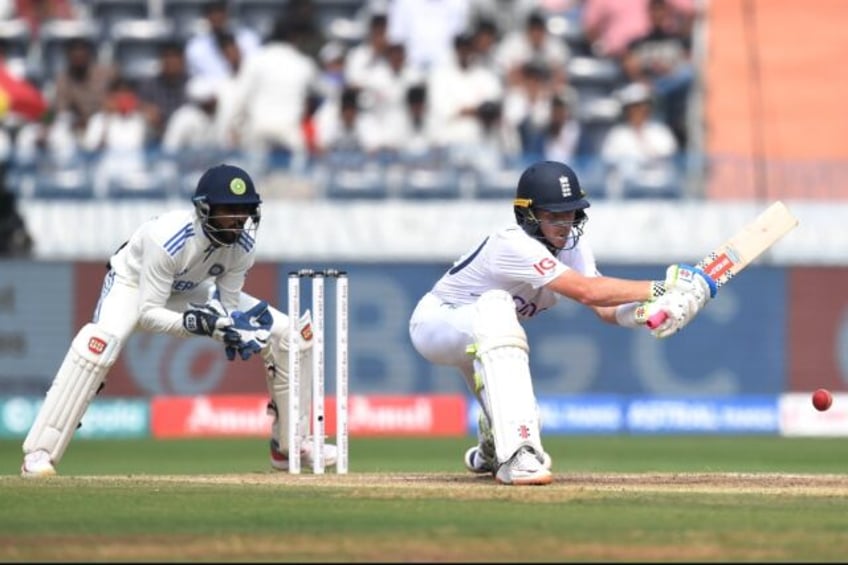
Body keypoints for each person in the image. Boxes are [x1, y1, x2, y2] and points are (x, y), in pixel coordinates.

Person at [408, 160, 716, 486]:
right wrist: (665, 286)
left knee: (525, 416)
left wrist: (653, 311)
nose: (564, 224)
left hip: (483, 334)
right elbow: (587, 291)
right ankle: (517, 458)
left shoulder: (572, 246)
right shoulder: (511, 244)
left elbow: (606, 309)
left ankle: (493, 447)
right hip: (438, 323)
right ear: (528, 215)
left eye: (569, 213)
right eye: (553, 215)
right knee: (496, 308)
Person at [20, 163, 336, 477]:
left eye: (245, 209)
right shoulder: (168, 240)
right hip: (132, 285)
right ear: (205, 210)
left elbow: (226, 305)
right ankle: (39, 453)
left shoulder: (242, 245)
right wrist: (195, 323)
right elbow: (148, 313)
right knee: (98, 346)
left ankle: (290, 446)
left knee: (291, 335)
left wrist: (232, 326)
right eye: (229, 209)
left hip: (192, 289)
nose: (239, 219)